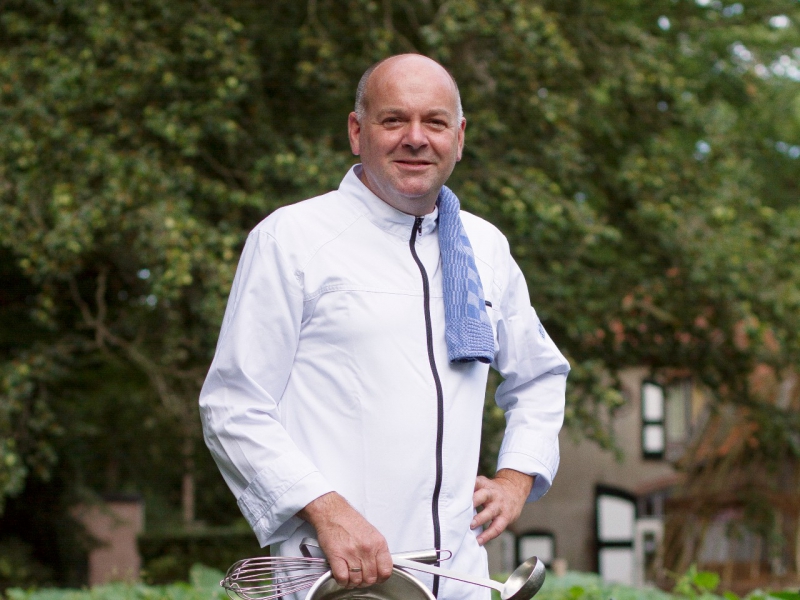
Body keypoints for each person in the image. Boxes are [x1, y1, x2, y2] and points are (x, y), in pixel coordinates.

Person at [199, 54, 569, 600]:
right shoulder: (292, 239)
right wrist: (325, 508)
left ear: (459, 137)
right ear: (357, 131)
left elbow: (539, 377)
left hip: (461, 579)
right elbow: (233, 406)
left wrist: (518, 476)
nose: (416, 138)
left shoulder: (485, 247)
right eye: (393, 120)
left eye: (435, 122)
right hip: (333, 579)